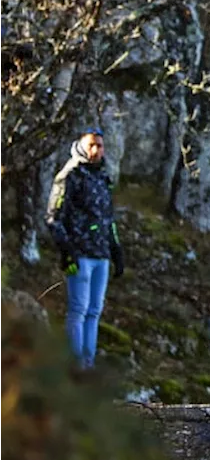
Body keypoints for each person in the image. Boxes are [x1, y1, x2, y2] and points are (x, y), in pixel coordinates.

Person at [46, 128, 125, 370]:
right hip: (79, 254)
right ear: (81, 146)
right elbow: (53, 218)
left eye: (100, 146)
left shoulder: (103, 177)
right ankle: (75, 365)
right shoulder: (70, 175)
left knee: (94, 311)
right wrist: (67, 251)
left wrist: (116, 249)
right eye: (92, 145)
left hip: (100, 255)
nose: (96, 150)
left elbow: (108, 218)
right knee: (78, 310)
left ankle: (87, 365)